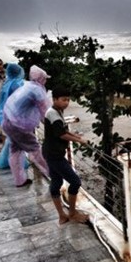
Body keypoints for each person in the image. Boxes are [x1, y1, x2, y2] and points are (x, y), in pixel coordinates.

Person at [43, 86, 88, 224]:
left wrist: (76, 136)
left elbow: (63, 130)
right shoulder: (54, 115)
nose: (66, 103)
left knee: (56, 182)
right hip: (54, 154)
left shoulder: (56, 110)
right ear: (55, 99)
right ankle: (72, 213)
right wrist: (78, 140)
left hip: (51, 152)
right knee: (75, 182)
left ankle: (62, 215)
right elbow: (61, 134)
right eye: (64, 100)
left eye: (68, 100)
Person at [2, 65, 51, 187]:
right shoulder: (37, 90)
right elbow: (46, 112)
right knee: (35, 150)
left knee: (15, 150)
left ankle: (19, 180)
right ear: (41, 78)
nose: (45, 81)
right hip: (18, 125)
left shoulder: (27, 85)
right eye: (45, 78)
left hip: (7, 121)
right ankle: (53, 175)